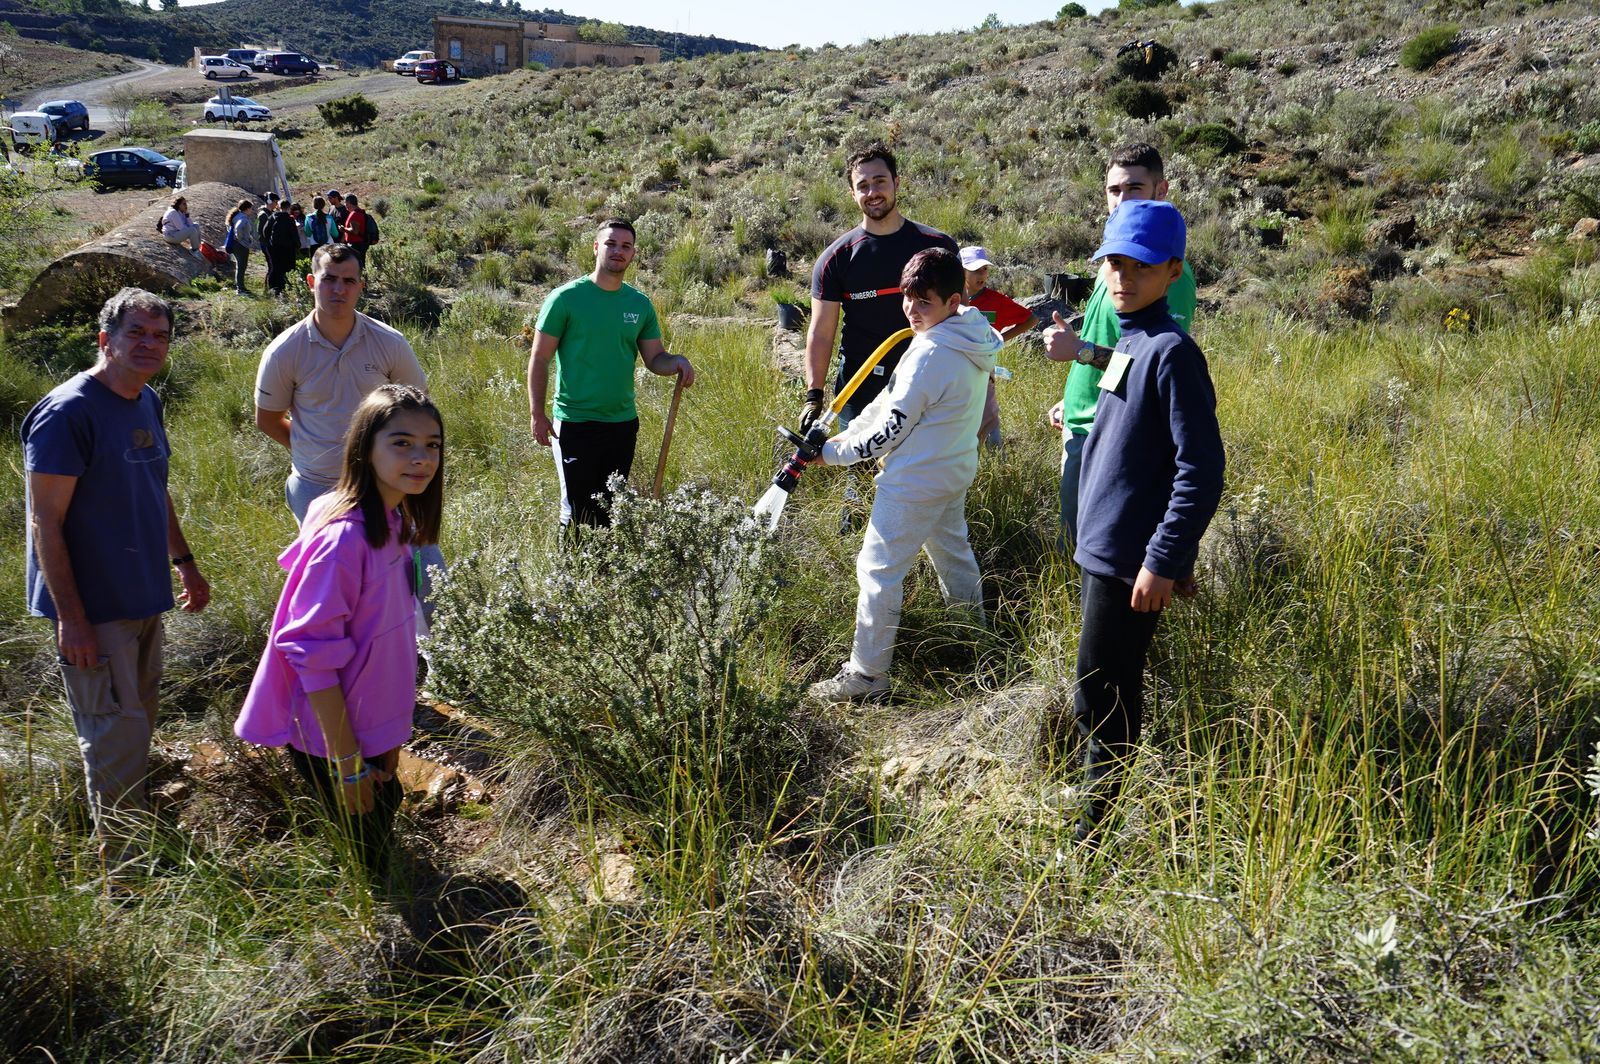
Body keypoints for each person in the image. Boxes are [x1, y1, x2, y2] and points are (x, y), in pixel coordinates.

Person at [22, 288, 212, 870]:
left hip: (144, 595)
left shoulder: (145, 399)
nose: (149, 345)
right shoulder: (68, 413)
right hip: (95, 610)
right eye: (136, 333)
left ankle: (134, 835)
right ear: (106, 340)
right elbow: (44, 521)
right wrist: (73, 620)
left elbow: (154, 488)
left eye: (160, 336)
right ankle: (125, 873)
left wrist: (184, 562)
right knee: (112, 735)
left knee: (136, 726)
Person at [1057, 200, 1223, 845]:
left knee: (1105, 694)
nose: (1124, 278)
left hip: (1129, 559)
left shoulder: (1173, 352)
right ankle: (1092, 800)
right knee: (1099, 685)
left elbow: (1201, 469)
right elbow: (1133, 430)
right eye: (1115, 265)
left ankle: (1092, 841)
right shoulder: (1131, 340)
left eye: (1142, 267)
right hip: (1104, 546)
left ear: (1173, 271)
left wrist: (1164, 559)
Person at [235, 384, 443, 878]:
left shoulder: (394, 520)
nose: (421, 458)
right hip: (336, 735)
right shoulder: (345, 539)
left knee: (382, 811)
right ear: (365, 448)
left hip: (372, 723)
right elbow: (311, 654)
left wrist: (389, 740)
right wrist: (348, 763)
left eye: (431, 444)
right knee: (370, 858)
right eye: (401, 443)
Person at [806, 248, 1001, 703]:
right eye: (908, 298)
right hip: (950, 472)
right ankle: (973, 639)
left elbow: (888, 432)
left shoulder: (933, 351)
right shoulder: (965, 334)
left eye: (924, 302)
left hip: (914, 483)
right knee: (953, 555)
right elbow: (889, 401)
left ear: (954, 300)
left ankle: (868, 675)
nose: (912, 309)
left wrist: (832, 454)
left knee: (877, 570)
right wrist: (845, 433)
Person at [1045, 143, 1197, 546]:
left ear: (1161, 190)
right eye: (1114, 190)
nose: (1122, 199)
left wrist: (1079, 352)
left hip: (1114, 433)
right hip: (1084, 421)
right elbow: (1112, 343)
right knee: (1074, 545)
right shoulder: (1111, 263)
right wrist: (1074, 396)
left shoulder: (1167, 275)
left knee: (1094, 552)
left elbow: (1152, 371)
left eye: (1134, 188)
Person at [527, 219, 694, 531]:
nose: (618, 250)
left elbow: (654, 358)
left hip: (622, 424)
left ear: (633, 254)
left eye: (626, 246)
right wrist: (537, 412)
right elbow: (540, 357)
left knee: (608, 509)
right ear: (595, 248)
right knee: (577, 512)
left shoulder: (639, 304)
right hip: (575, 423)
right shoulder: (565, 299)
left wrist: (676, 362)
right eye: (611, 243)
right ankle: (571, 564)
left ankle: (602, 565)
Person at [803, 145, 959, 430]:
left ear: (896, 182)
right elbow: (821, 332)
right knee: (853, 460)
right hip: (859, 386)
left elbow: (963, 316)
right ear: (852, 194)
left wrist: (982, 380)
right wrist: (814, 395)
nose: (872, 192)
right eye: (862, 186)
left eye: (880, 181)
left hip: (929, 380)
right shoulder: (835, 259)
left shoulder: (938, 247)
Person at [959, 245, 1035, 447]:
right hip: (955, 369)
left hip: (983, 371)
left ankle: (996, 455)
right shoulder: (951, 299)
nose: (981, 275)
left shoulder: (996, 300)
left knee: (988, 416)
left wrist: (999, 339)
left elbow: (1031, 320)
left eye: (984, 269)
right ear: (962, 271)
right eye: (975, 270)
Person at [264, 200, 302, 295]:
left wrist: (269, 241)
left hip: (274, 247)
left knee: (275, 267)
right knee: (288, 268)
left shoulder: (273, 217)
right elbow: (294, 234)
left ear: (279, 207)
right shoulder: (290, 219)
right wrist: (298, 245)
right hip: (288, 248)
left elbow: (265, 231)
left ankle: (273, 287)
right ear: (289, 208)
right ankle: (286, 287)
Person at [225, 199, 259, 296]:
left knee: (240, 266)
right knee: (241, 267)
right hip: (241, 245)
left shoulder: (236, 216)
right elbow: (239, 228)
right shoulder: (243, 218)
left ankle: (240, 287)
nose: (251, 210)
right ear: (247, 209)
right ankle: (240, 289)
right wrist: (241, 238)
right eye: (251, 208)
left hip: (237, 244)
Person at [339, 193, 372, 268]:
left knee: (356, 266)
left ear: (349, 202)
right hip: (359, 244)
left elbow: (355, 231)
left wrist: (343, 229)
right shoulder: (359, 212)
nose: (345, 205)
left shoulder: (355, 214)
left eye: (345, 202)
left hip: (356, 245)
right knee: (359, 265)